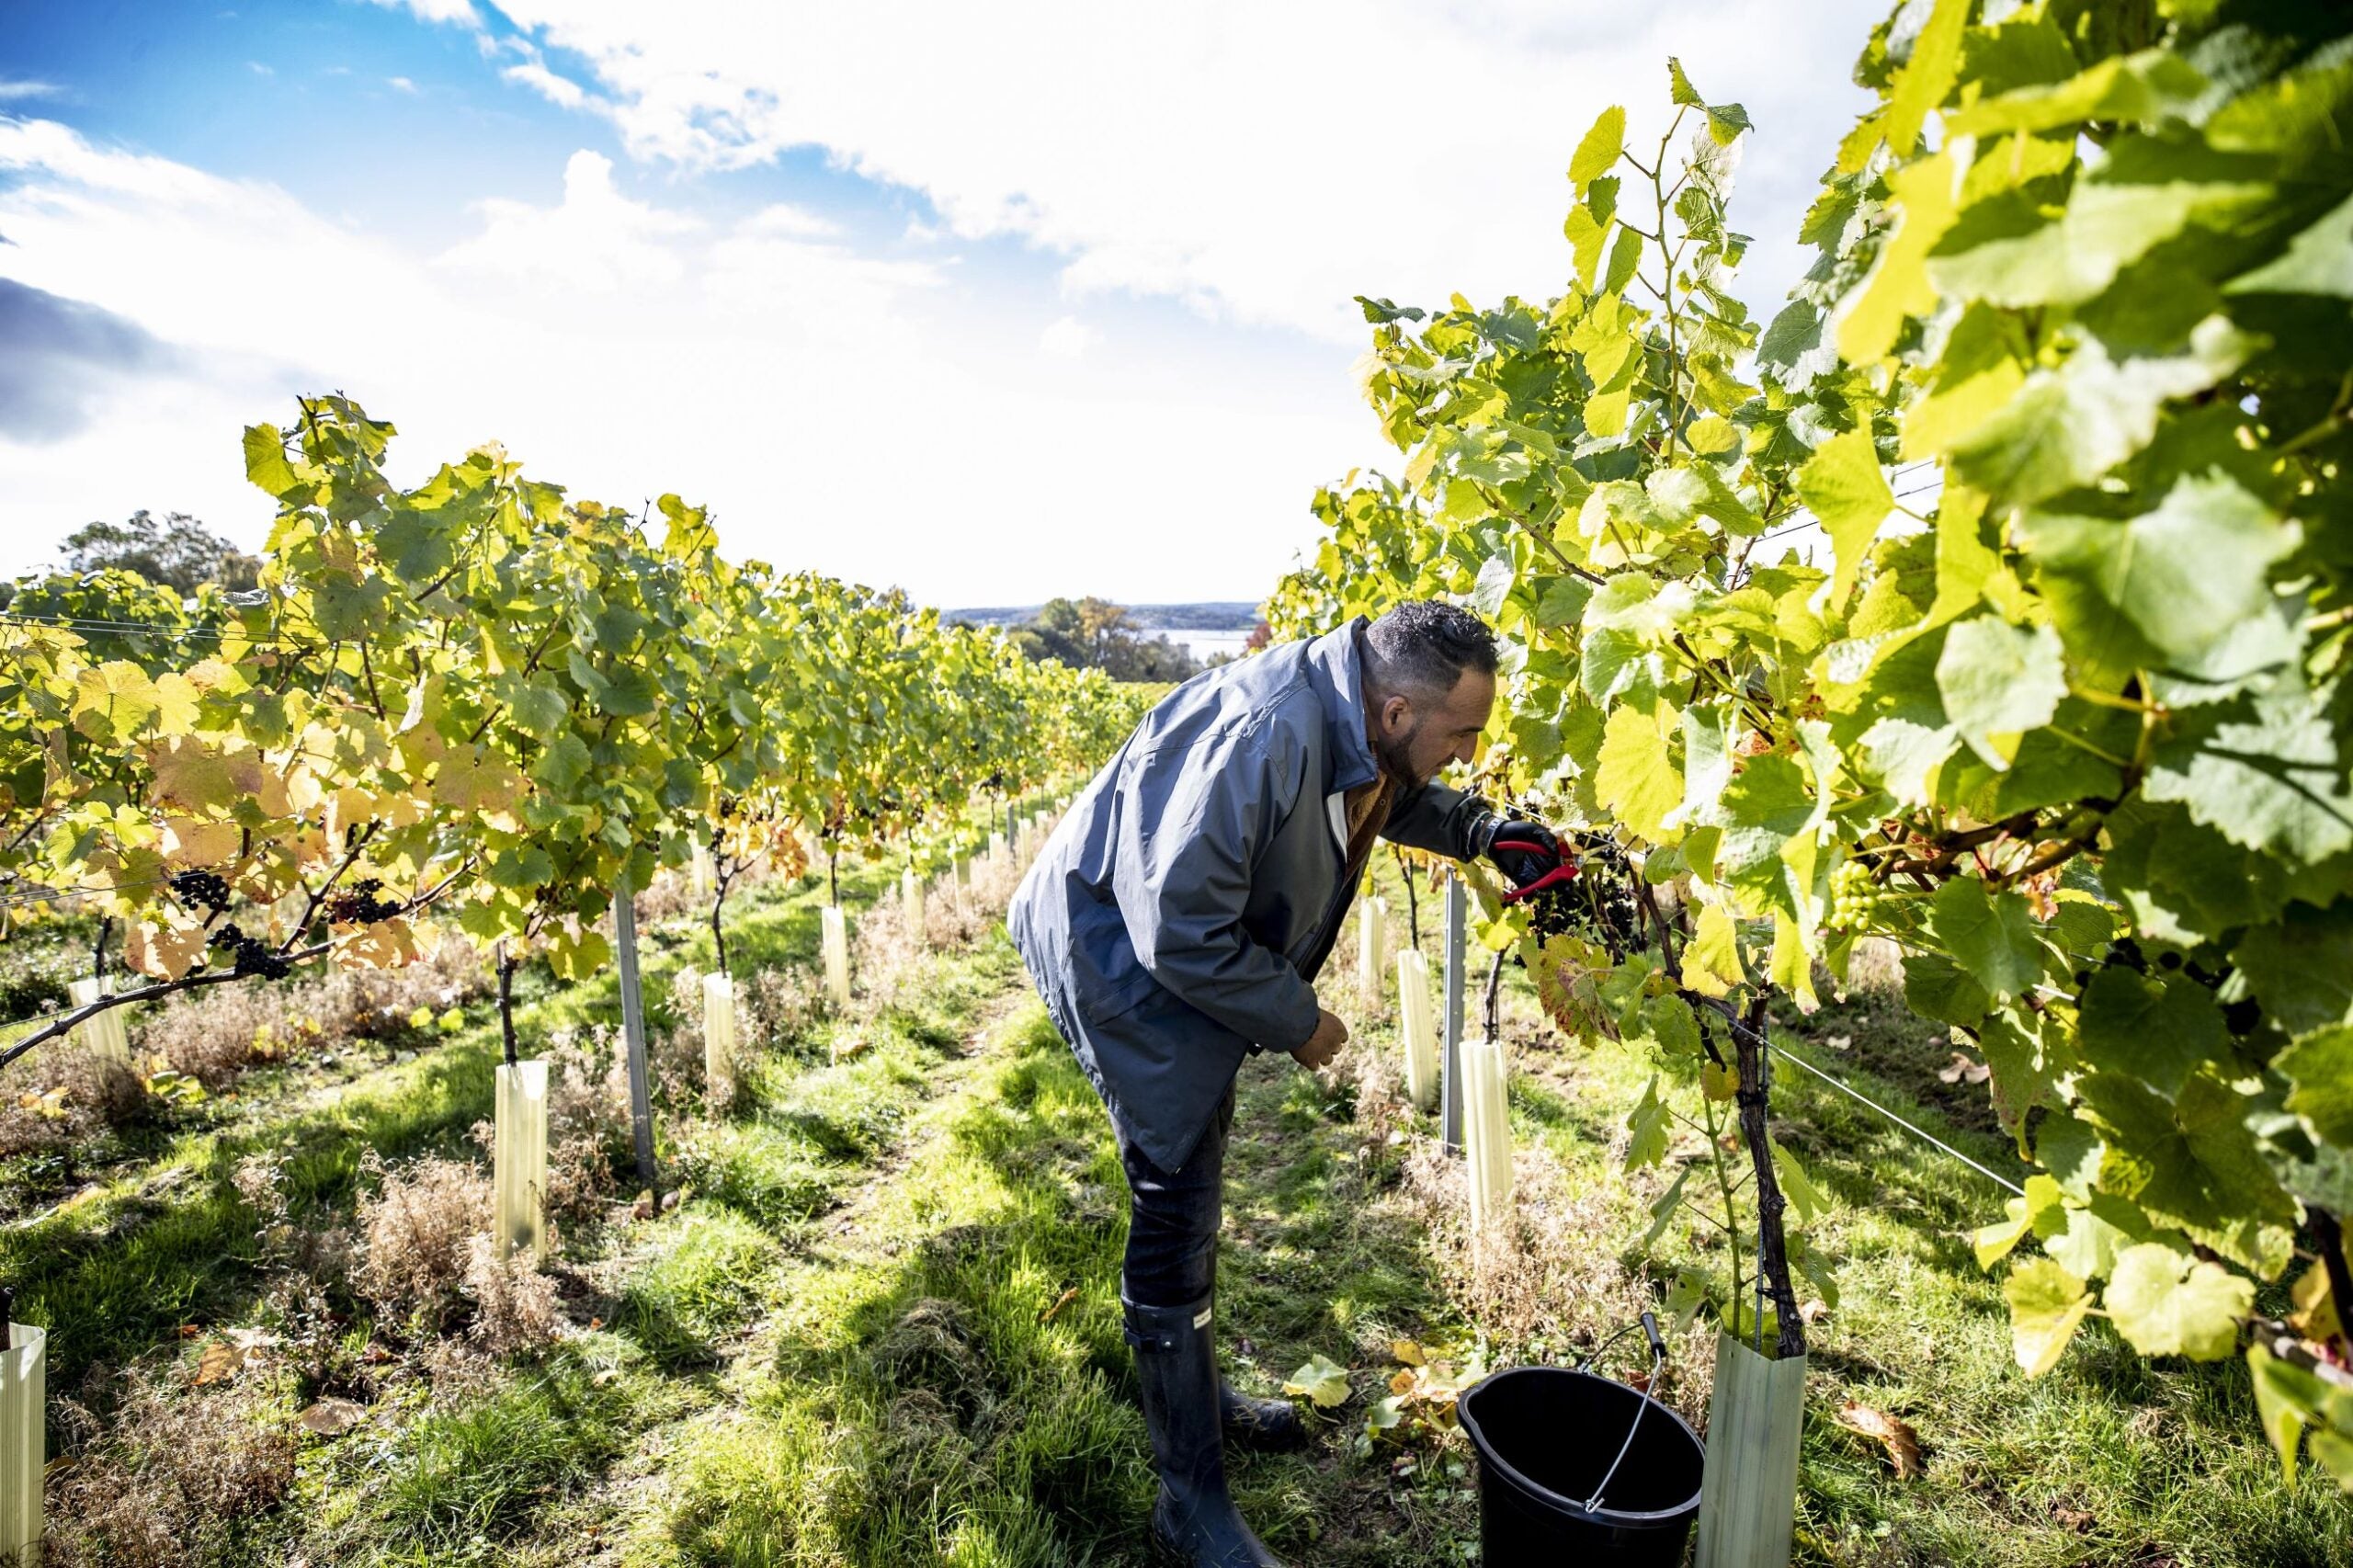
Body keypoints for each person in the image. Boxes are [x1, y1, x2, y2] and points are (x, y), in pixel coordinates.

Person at [1006, 600, 1564, 1567]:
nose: (1469, 750)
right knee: (1172, 1179)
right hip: (1121, 955)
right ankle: (1189, 1502)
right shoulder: (1264, 738)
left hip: (1167, 937)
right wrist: (1300, 1020)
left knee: (1198, 1152)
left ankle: (1201, 1399)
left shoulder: (1352, 711)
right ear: (1394, 710)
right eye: (1461, 734)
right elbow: (1180, 930)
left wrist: (1482, 829)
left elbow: (1386, 789)